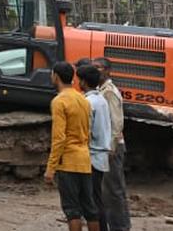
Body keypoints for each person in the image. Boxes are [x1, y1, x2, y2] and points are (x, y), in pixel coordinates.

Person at [45, 61, 100, 231]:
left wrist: (51, 168)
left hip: (68, 162)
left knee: (72, 211)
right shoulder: (83, 100)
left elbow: (59, 138)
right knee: (90, 209)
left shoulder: (59, 101)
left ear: (56, 76)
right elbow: (88, 131)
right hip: (84, 161)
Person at [93, 57, 131, 231]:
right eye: (93, 67)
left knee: (114, 191)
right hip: (108, 147)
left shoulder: (109, 92)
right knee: (107, 191)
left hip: (112, 148)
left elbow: (116, 123)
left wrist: (111, 148)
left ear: (108, 71)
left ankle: (120, 227)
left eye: (98, 68)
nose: (95, 71)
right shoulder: (101, 90)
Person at [79, 64, 112, 227]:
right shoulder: (101, 100)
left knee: (92, 202)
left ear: (83, 82)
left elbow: (87, 131)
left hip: (92, 156)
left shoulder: (89, 102)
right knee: (96, 198)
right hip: (100, 156)